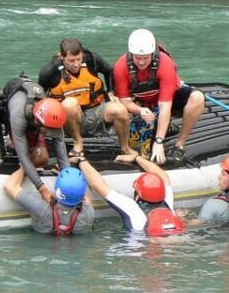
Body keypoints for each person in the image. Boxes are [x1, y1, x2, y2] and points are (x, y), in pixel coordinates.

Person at [0, 76, 69, 203]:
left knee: (41, 158)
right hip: (9, 111)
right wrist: (42, 190)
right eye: (49, 130)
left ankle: (12, 140)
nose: (52, 133)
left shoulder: (54, 118)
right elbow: (23, 158)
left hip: (28, 120)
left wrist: (68, 183)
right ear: (37, 121)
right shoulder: (20, 115)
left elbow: (62, 155)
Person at [112, 29, 205, 164]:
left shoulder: (165, 63)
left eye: (145, 58)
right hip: (141, 104)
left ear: (153, 53)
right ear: (131, 54)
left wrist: (158, 141)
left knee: (197, 97)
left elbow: (164, 106)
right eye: (137, 58)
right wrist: (139, 111)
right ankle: (161, 127)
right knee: (138, 147)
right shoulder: (120, 66)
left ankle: (179, 145)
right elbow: (124, 101)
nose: (141, 62)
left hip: (165, 101)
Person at [38, 37, 134, 157]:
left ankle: (125, 148)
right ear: (62, 57)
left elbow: (109, 71)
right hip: (67, 120)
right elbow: (40, 99)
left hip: (94, 111)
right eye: (71, 61)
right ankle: (78, 142)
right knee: (69, 104)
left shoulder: (92, 60)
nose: (76, 64)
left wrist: (110, 92)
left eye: (78, 59)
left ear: (82, 54)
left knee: (119, 109)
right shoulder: (49, 72)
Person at [77, 152, 186, 236]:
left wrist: (81, 160)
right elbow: (163, 175)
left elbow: (97, 185)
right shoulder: (167, 201)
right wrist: (137, 157)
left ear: (138, 196)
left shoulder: (132, 208)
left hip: (140, 248)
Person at [4, 166, 95, 235]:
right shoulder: (88, 214)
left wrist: (26, 167)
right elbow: (85, 197)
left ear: (57, 189)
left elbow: (9, 186)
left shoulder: (42, 208)